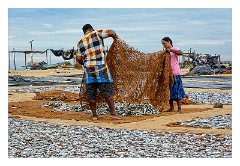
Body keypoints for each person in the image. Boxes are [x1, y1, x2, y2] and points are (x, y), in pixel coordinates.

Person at [76, 24, 121, 120]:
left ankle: (94, 115)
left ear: (84, 31)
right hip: (101, 68)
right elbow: (111, 32)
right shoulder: (96, 33)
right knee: (107, 91)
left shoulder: (80, 42)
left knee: (91, 93)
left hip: (89, 70)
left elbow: (78, 58)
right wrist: (115, 37)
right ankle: (113, 113)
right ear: (91, 29)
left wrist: (84, 63)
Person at [161, 37, 186, 113]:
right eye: (162, 44)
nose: (163, 45)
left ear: (169, 42)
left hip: (175, 73)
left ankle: (179, 109)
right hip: (168, 73)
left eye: (164, 43)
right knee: (169, 91)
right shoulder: (165, 51)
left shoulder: (174, 48)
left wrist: (171, 50)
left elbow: (181, 53)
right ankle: (171, 107)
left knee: (177, 91)